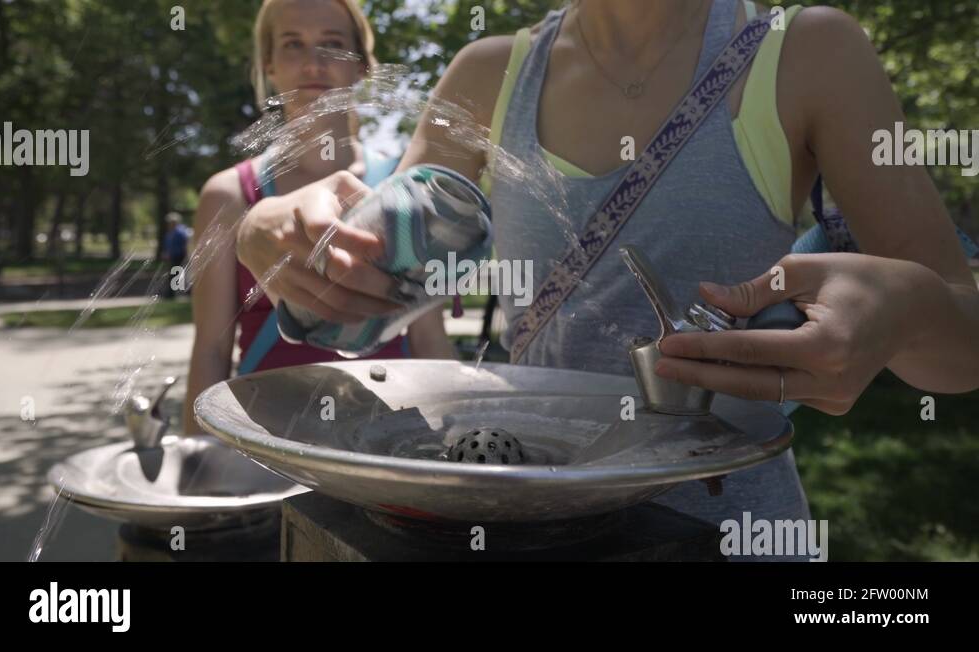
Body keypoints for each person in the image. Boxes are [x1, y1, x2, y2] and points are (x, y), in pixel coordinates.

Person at [235, 0, 979, 558]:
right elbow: (374, 282)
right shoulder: (490, 72)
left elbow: (961, 338)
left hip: (728, 529)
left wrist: (906, 311)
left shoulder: (810, 53)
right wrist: (281, 243)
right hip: (518, 523)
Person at [182, 0, 450, 436]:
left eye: (333, 44)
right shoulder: (228, 196)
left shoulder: (404, 187)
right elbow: (211, 351)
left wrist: (457, 443)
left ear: (362, 66)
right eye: (293, 44)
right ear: (269, 64)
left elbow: (427, 340)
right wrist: (198, 471)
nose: (314, 62)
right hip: (269, 446)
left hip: (393, 443)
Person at [160, 212, 189, 299]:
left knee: (176, 273)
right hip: (172, 256)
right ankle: (175, 293)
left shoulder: (180, 232)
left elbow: (184, 245)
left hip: (179, 255)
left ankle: (174, 293)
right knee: (174, 273)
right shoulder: (171, 232)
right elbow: (168, 244)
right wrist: (166, 253)